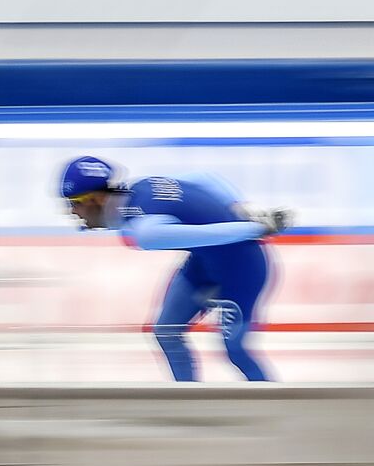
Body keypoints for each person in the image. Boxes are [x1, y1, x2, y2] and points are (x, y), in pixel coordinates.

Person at [59, 156, 291, 381]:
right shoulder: (141, 186)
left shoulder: (146, 232)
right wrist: (240, 207)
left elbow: (207, 235)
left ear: (95, 199)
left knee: (235, 350)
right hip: (207, 261)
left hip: (244, 269)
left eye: (73, 204)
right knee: (167, 332)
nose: (72, 212)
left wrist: (255, 228)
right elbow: (204, 178)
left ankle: (277, 407)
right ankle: (190, 402)